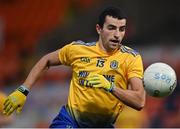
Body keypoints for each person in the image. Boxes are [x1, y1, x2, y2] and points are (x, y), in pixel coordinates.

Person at [3, 7, 146, 128]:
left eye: (122, 29)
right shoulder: (78, 49)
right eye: (111, 28)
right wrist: (24, 89)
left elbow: (139, 101)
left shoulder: (131, 58)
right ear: (99, 29)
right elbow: (46, 60)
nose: (117, 35)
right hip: (70, 120)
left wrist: (110, 87)